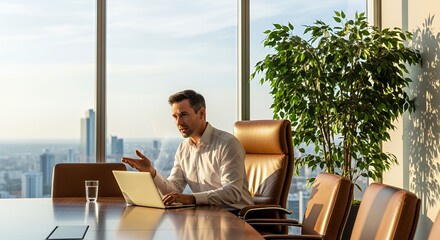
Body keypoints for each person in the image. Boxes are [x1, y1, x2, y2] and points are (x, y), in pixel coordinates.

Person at [122, 89, 253, 210]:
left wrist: (191, 198)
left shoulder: (227, 144)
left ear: (201, 113)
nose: (178, 122)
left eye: (183, 115)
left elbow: (232, 192)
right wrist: (152, 173)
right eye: (175, 116)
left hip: (237, 217)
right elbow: (173, 190)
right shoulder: (183, 148)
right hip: (206, 217)